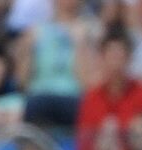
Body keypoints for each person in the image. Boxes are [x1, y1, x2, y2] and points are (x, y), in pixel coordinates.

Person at [15, 0, 96, 128]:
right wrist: (28, 50)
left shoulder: (89, 30)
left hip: (72, 96)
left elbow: (87, 84)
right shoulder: (36, 30)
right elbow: (22, 82)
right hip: (38, 96)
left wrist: (80, 46)